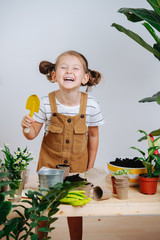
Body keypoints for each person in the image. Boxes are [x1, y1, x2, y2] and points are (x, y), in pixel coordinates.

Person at [21, 50, 104, 240]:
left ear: (84, 78)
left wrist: (90, 168)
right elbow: (31, 134)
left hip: (77, 169)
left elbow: (93, 136)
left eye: (75, 68)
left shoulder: (91, 105)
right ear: (53, 75)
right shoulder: (44, 103)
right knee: (44, 209)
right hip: (48, 168)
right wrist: (26, 127)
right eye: (63, 67)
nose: (69, 71)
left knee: (75, 210)